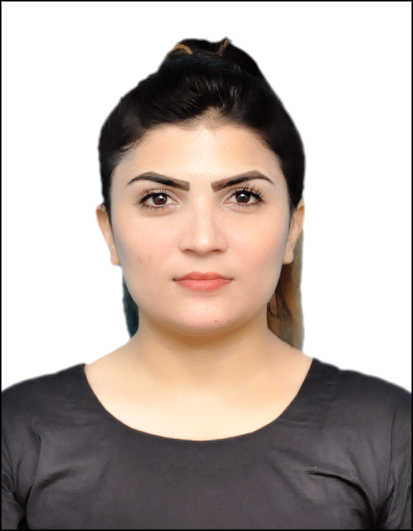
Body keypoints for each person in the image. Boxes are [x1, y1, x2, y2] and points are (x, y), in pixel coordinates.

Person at [1, 37, 411, 530]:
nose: (202, 239)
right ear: (109, 231)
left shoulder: (389, 432)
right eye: (158, 198)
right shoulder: (18, 433)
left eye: (243, 196)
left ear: (292, 230)